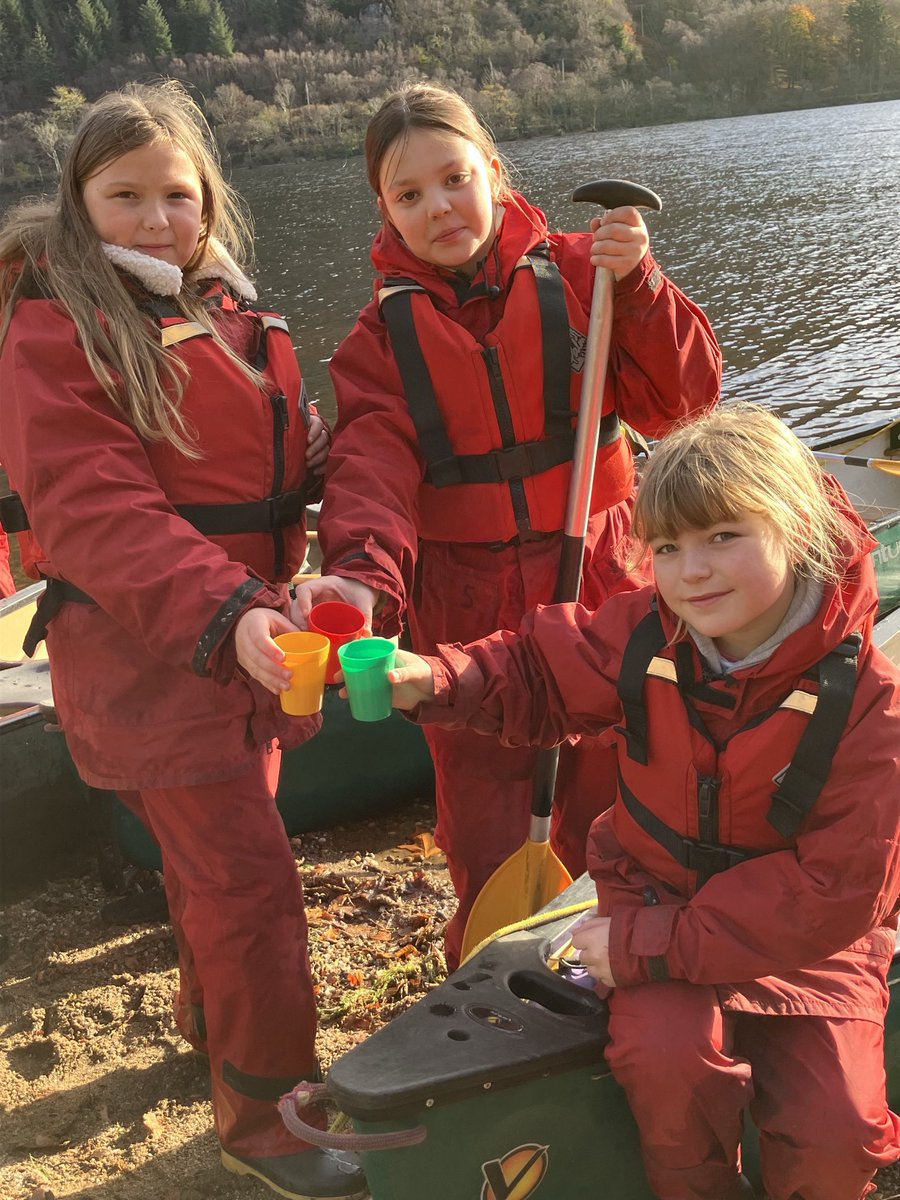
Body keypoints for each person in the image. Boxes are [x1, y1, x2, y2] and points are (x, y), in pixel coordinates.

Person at [385, 403, 900, 1200]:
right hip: (657, 891)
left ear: (797, 528)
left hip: (804, 944)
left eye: (723, 536)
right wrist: (434, 679)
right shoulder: (645, 634)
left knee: (840, 1127)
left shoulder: (872, 701)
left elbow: (834, 895)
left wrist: (643, 947)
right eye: (667, 548)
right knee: (666, 1065)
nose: (692, 570)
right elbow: (536, 669)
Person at [0, 82, 366, 1200]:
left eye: (177, 193)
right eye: (126, 196)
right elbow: (102, 510)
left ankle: (207, 1025)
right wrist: (228, 614)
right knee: (251, 890)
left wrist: (315, 463)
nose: (157, 219)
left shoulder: (225, 309)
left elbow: (232, 472)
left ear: (209, 200)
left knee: (215, 874)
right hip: (160, 658)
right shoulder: (58, 326)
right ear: (79, 203)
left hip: (240, 648)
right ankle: (268, 1121)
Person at [291, 83, 722, 969]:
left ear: (493, 170)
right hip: (465, 606)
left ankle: (632, 964)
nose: (439, 207)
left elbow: (687, 402)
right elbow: (370, 470)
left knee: (624, 794)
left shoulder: (586, 278)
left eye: (454, 177)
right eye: (409, 195)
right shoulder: (377, 342)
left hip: (605, 577)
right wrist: (362, 577)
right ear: (386, 210)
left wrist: (639, 287)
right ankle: (492, 984)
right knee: (484, 828)